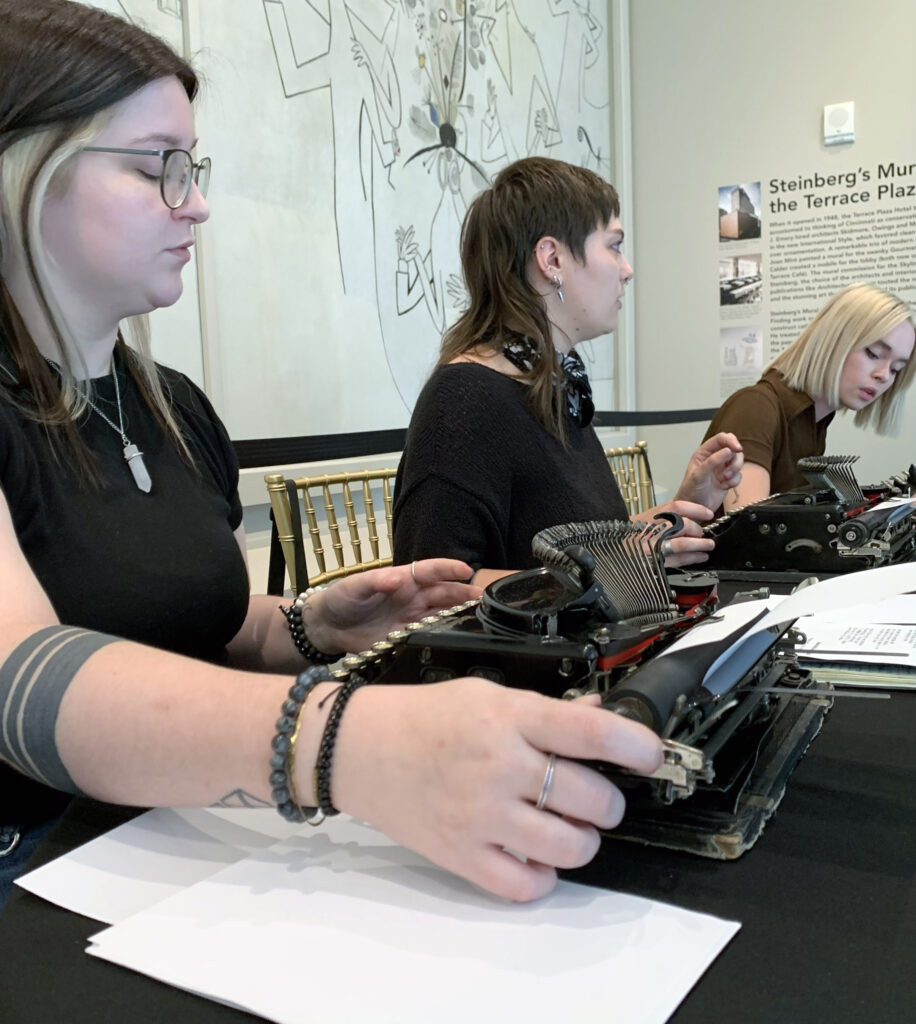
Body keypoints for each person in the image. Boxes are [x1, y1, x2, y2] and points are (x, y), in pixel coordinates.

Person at [0, 0, 663, 909]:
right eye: (160, 168)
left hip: (169, 841)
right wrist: (349, 742)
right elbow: (19, 680)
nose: (196, 203)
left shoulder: (172, 409)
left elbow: (195, 626)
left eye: (193, 169)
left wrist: (307, 624)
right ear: (21, 172)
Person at [392, 157, 745, 585]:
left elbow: (570, 543)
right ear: (552, 259)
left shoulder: (554, 386)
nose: (627, 269)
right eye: (614, 245)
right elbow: (432, 592)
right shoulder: (464, 400)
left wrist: (674, 515)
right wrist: (621, 564)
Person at [703, 283, 915, 512]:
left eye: (895, 369)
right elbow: (753, 536)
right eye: (873, 353)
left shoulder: (815, 423)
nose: (883, 376)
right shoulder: (757, 408)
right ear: (834, 339)